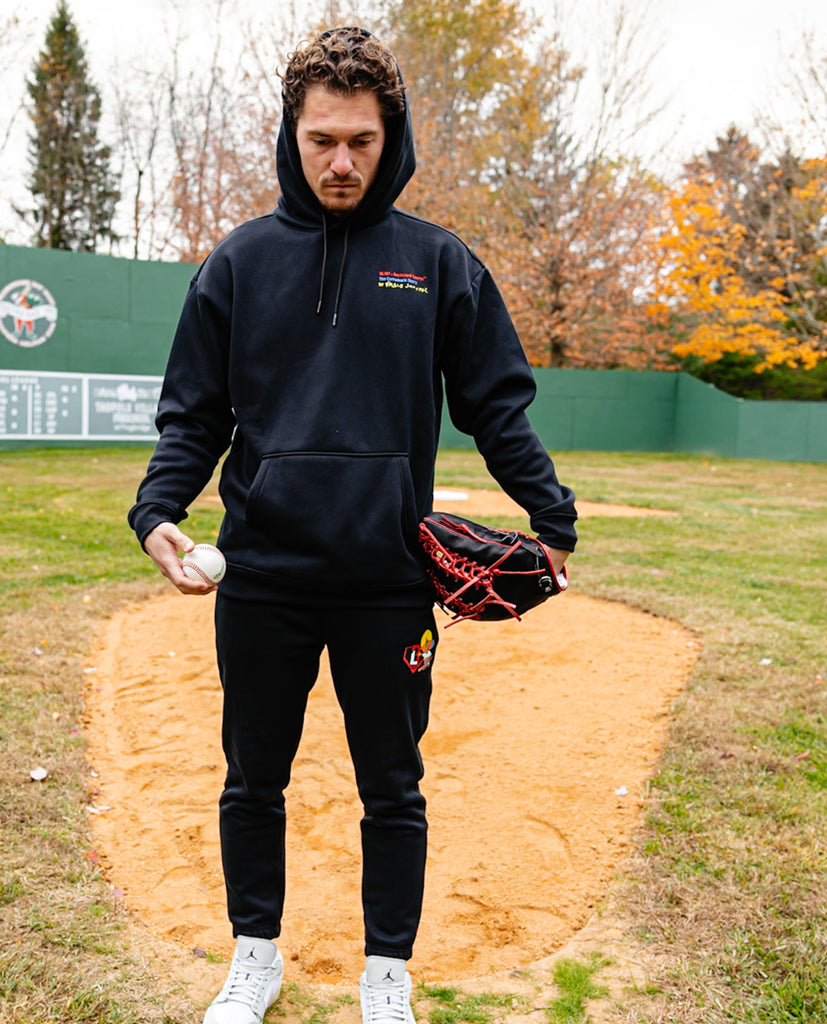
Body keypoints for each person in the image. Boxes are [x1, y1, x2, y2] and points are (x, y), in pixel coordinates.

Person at [128, 26, 577, 1024]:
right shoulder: (238, 263)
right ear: (291, 134)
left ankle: (386, 973)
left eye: (361, 142)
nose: (340, 161)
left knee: (392, 787)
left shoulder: (437, 263)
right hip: (265, 578)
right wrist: (160, 507)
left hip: (388, 581)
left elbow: (496, 406)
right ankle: (255, 955)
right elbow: (193, 413)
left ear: (392, 138)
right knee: (253, 777)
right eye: (322, 138)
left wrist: (552, 519)